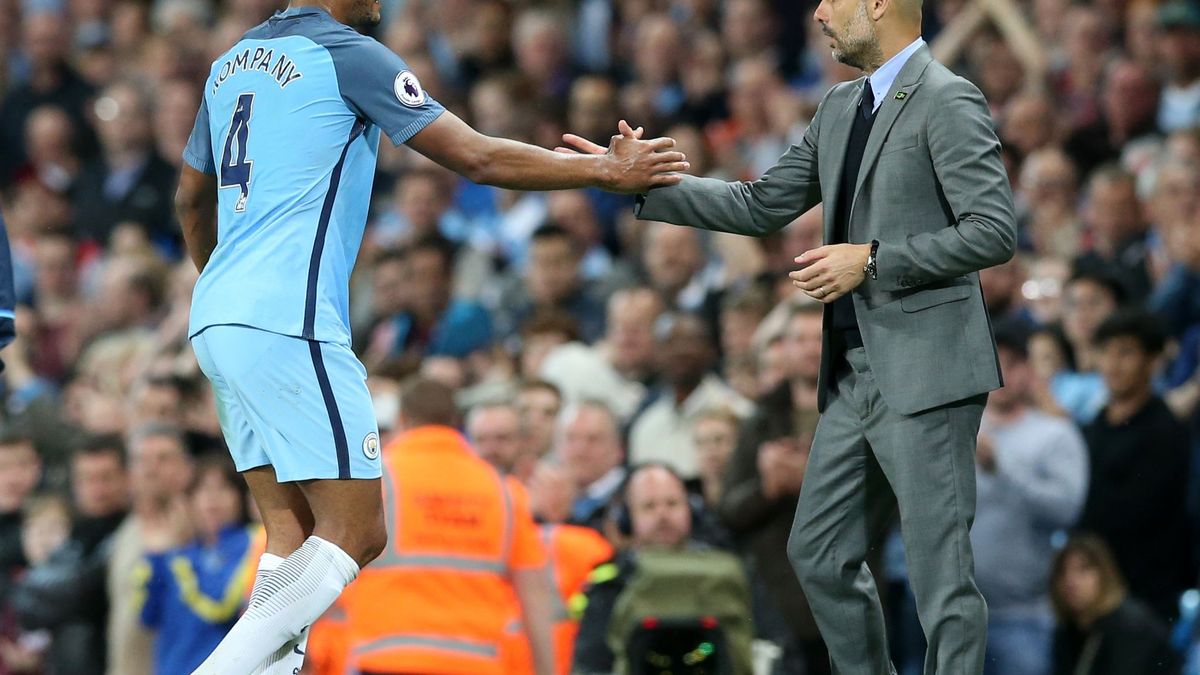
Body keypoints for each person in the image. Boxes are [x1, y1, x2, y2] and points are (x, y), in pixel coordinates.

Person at [173, 0, 686, 671]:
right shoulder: (345, 53)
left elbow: (188, 197)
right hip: (284, 315)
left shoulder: (228, 65)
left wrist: (227, 287)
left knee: (290, 535)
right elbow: (475, 156)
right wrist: (604, 171)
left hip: (217, 314)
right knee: (358, 530)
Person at [562, 0, 1018, 668]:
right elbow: (761, 204)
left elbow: (993, 230)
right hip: (852, 374)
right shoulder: (838, 106)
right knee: (819, 553)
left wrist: (871, 258)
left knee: (939, 574)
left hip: (928, 370)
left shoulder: (948, 99)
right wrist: (638, 180)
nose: (819, 13)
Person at [340, 378, 555, 675]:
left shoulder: (377, 480)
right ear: (456, 422)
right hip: (474, 662)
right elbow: (534, 595)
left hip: (387, 656)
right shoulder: (503, 490)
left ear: (402, 418)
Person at [972, 322, 1088, 675]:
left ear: (1028, 370)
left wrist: (1001, 468)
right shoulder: (961, 429)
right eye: (993, 361)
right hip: (953, 613)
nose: (1001, 373)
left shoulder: (1055, 435)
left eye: (1012, 363)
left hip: (1022, 613)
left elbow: (1066, 510)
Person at [572, 464, 752, 675]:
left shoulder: (727, 571)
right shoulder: (611, 584)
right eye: (649, 506)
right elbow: (591, 665)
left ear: (691, 510)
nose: (663, 514)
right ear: (626, 519)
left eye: (672, 503)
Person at [1076, 310, 1192, 622]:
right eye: (1106, 352)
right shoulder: (1092, 428)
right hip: (1089, 596)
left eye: (1125, 353)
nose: (1112, 365)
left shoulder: (1166, 431)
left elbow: (1134, 511)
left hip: (1145, 599)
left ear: (1153, 361)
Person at [136, 454, 255, 675]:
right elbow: (147, 616)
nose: (212, 499)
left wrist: (180, 559)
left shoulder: (252, 543)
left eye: (223, 488)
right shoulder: (183, 552)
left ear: (240, 497)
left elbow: (221, 606)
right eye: (202, 490)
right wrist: (156, 556)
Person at [627, 312, 753, 479]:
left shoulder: (740, 414)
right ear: (656, 353)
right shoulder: (646, 427)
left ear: (711, 351)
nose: (680, 351)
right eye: (669, 342)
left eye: (690, 341)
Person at [1050, 535, 1182, 675]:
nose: (1071, 581)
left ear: (1104, 575)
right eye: (1063, 572)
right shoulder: (1069, 628)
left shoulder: (1130, 626)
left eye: (1083, 570)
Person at [559, 400, 627, 532]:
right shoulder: (545, 499)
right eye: (571, 438)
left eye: (593, 439)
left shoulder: (630, 498)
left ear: (619, 448)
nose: (580, 450)